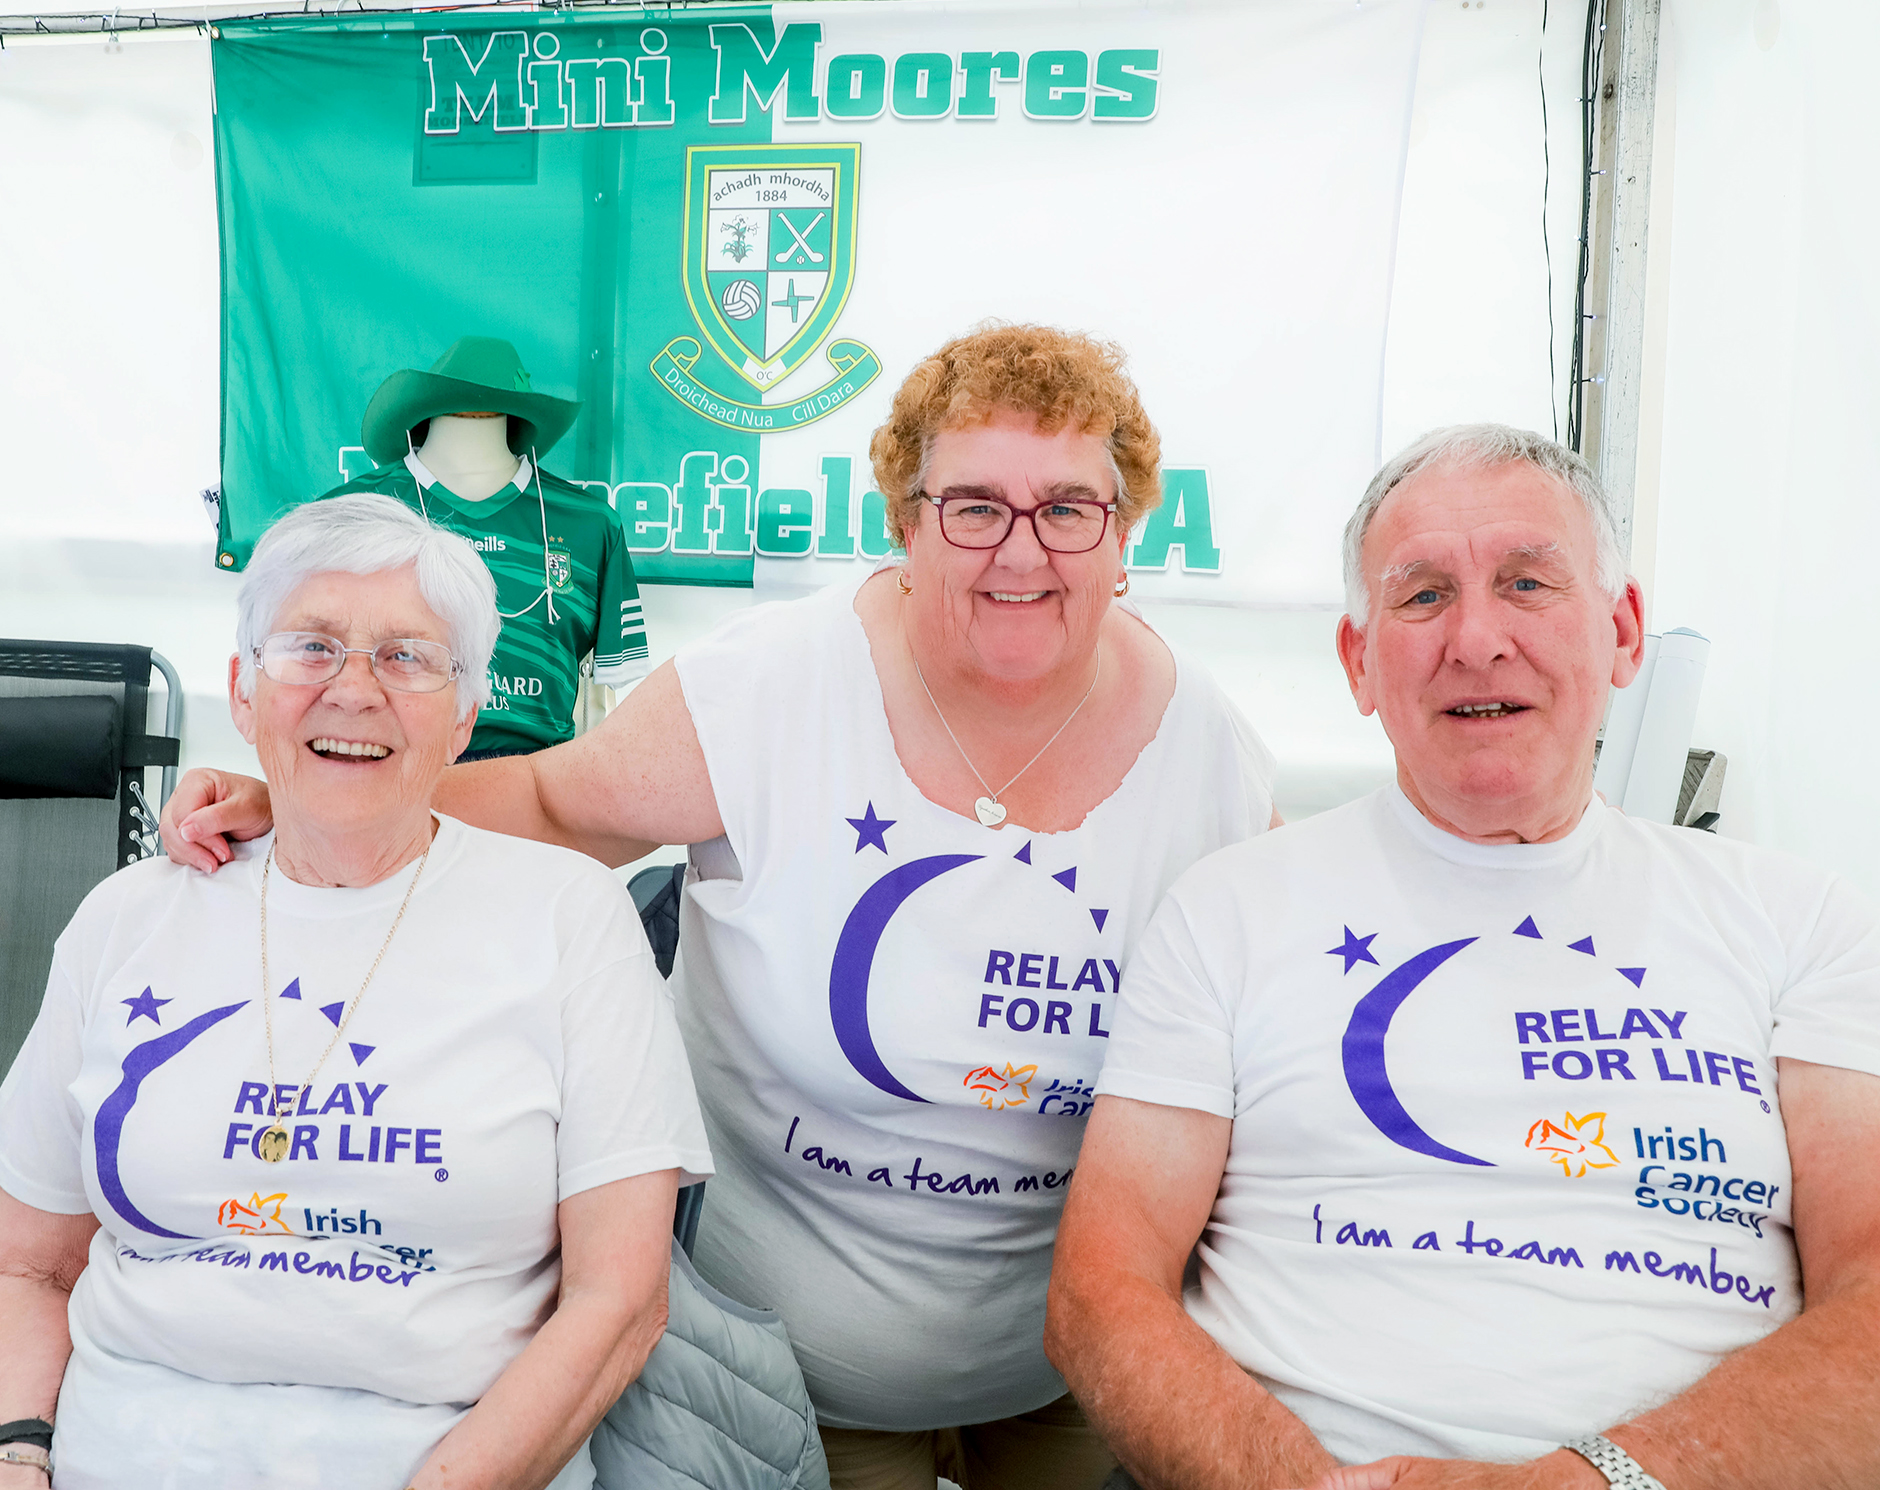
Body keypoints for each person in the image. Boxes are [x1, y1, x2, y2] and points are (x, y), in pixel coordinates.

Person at [159, 324, 1283, 1490]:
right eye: (973, 507)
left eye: (1066, 508)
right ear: (903, 523)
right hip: (790, 1396)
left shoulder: (1205, 753)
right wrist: (319, 799)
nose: (1020, 548)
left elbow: (1285, 1029)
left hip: (1072, 1383)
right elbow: (549, 799)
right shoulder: (774, 688)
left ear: (1124, 532)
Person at [1046, 423, 1880, 1490]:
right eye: (1423, 594)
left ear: (1622, 631)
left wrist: (1593, 1480)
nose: (1476, 639)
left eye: (1527, 582)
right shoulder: (1228, 912)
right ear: (1358, 661)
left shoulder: (1798, 920)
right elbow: (1099, 1290)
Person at [0, 495, 711, 1489]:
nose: (354, 688)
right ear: (243, 690)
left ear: (463, 716)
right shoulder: (128, 917)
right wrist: (19, 1455)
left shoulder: (569, 918)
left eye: (407, 656)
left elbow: (619, 1302)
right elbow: (26, 1264)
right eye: (312, 647)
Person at [325, 335, 651, 759]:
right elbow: (304, 663)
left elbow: (607, 697)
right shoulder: (349, 515)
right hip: (388, 772)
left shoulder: (591, 526)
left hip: (537, 785)